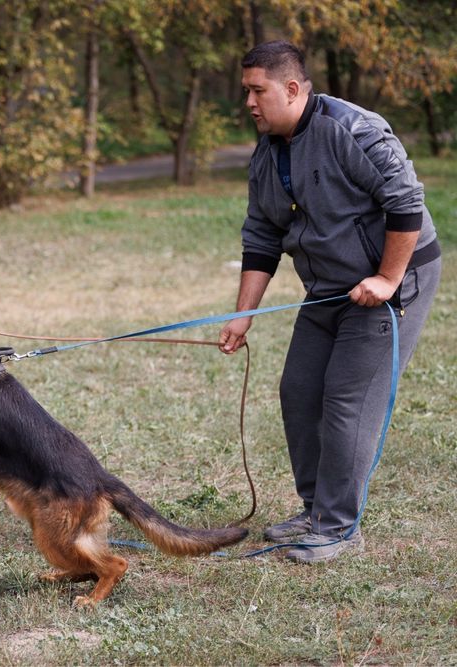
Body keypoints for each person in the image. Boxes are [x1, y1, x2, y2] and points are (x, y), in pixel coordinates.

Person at [219, 42, 441, 563]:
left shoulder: (353, 128)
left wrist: (387, 278)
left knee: (346, 401)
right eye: (245, 91)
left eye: (258, 91)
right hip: (328, 289)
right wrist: (244, 314)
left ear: (292, 89)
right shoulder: (268, 152)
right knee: (299, 391)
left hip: (392, 282)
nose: (249, 102)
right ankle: (316, 509)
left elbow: (406, 201)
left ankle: (339, 528)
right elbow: (262, 234)